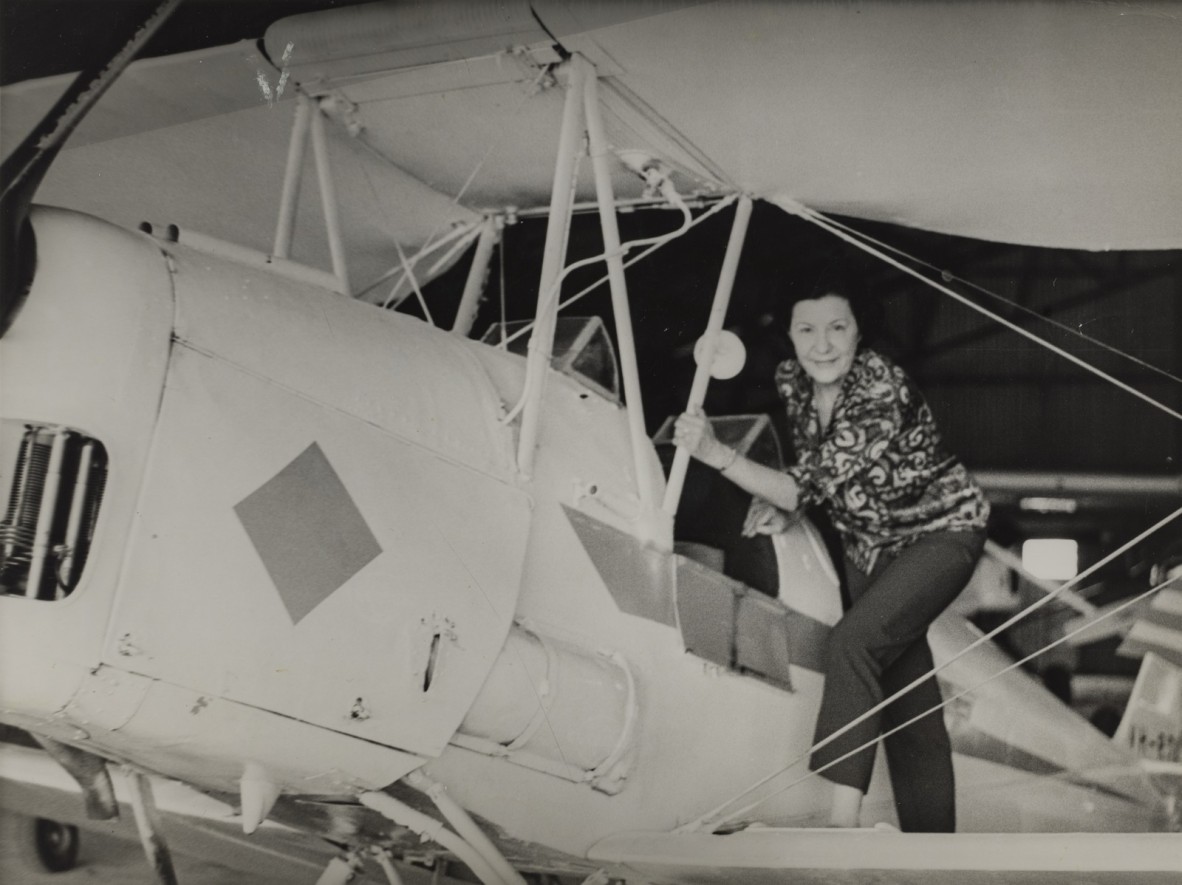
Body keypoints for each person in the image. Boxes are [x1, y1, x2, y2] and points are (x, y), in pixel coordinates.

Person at [673, 272, 989, 832]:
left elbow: (800, 483)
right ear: (790, 336)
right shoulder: (793, 380)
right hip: (866, 546)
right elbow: (814, 477)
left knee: (851, 644)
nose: (822, 344)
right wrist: (793, 508)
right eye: (807, 328)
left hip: (939, 534)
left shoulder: (880, 390)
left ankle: (842, 825)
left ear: (858, 330)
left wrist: (717, 454)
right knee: (908, 699)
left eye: (837, 328)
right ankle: (934, 852)